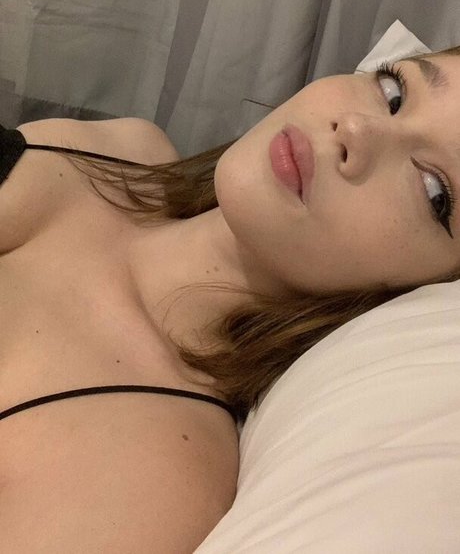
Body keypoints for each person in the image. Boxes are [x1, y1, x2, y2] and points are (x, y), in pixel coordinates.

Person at [1, 43, 459, 551]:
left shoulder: (144, 475)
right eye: (394, 92)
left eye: (434, 192)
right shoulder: (127, 149)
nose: (355, 128)